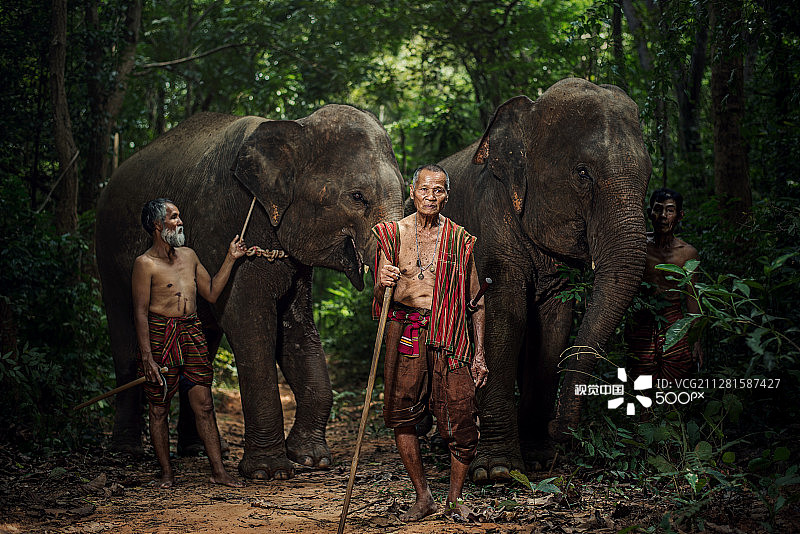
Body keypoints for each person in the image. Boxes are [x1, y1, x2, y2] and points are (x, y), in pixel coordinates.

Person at [373, 164, 489, 522]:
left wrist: (480, 353)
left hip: (451, 333)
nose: (430, 196)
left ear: (446, 196)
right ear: (412, 191)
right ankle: (423, 496)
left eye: (438, 190)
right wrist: (382, 279)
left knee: (462, 413)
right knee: (402, 415)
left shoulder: (459, 239)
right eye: (424, 189)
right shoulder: (392, 235)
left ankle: (454, 498)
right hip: (404, 330)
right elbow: (379, 293)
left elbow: (477, 301)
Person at [133, 198, 245, 489]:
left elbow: (210, 292)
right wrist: (147, 358)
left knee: (204, 404)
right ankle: (167, 474)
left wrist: (230, 258)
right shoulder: (145, 264)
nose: (180, 221)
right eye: (173, 217)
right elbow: (140, 312)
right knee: (159, 408)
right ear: (158, 225)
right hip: (160, 336)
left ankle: (219, 472)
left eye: (179, 216)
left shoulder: (189, 256)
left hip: (192, 333)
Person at [626, 188, 704, 384]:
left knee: (673, 389)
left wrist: (696, 341)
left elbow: (692, 299)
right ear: (649, 212)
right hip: (641, 320)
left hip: (674, 323)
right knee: (641, 387)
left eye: (670, 210)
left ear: (680, 216)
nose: (663, 216)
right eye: (658, 209)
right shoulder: (637, 245)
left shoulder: (687, 254)